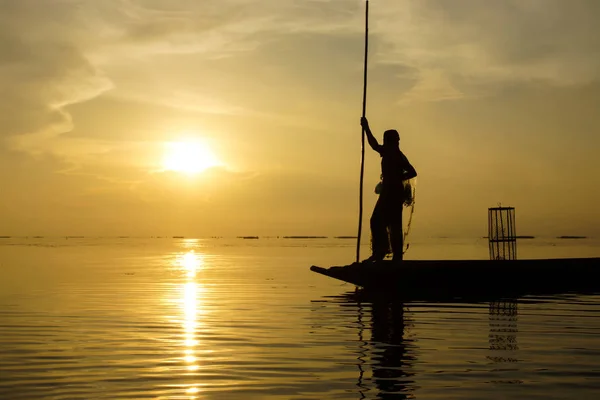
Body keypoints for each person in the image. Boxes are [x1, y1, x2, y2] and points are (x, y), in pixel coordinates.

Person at [361, 116, 417, 262]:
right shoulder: (393, 153)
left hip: (392, 194)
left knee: (380, 221)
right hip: (390, 192)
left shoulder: (395, 154)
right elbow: (375, 145)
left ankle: (385, 253)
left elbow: (412, 172)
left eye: (386, 140)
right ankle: (389, 253)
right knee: (389, 223)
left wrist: (366, 128)